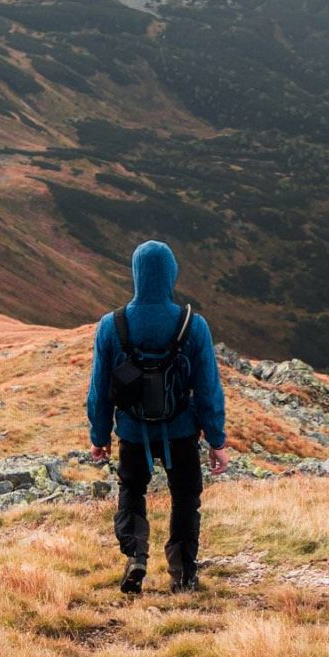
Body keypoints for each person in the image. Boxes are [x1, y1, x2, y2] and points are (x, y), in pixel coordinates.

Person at [85, 240, 228, 595]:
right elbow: (208, 388)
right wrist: (217, 440)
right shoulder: (193, 325)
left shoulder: (111, 325)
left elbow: (99, 390)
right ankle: (183, 573)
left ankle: (136, 556)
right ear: (171, 274)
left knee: (132, 490)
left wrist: (100, 436)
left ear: (135, 274)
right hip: (181, 432)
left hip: (133, 433)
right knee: (185, 499)